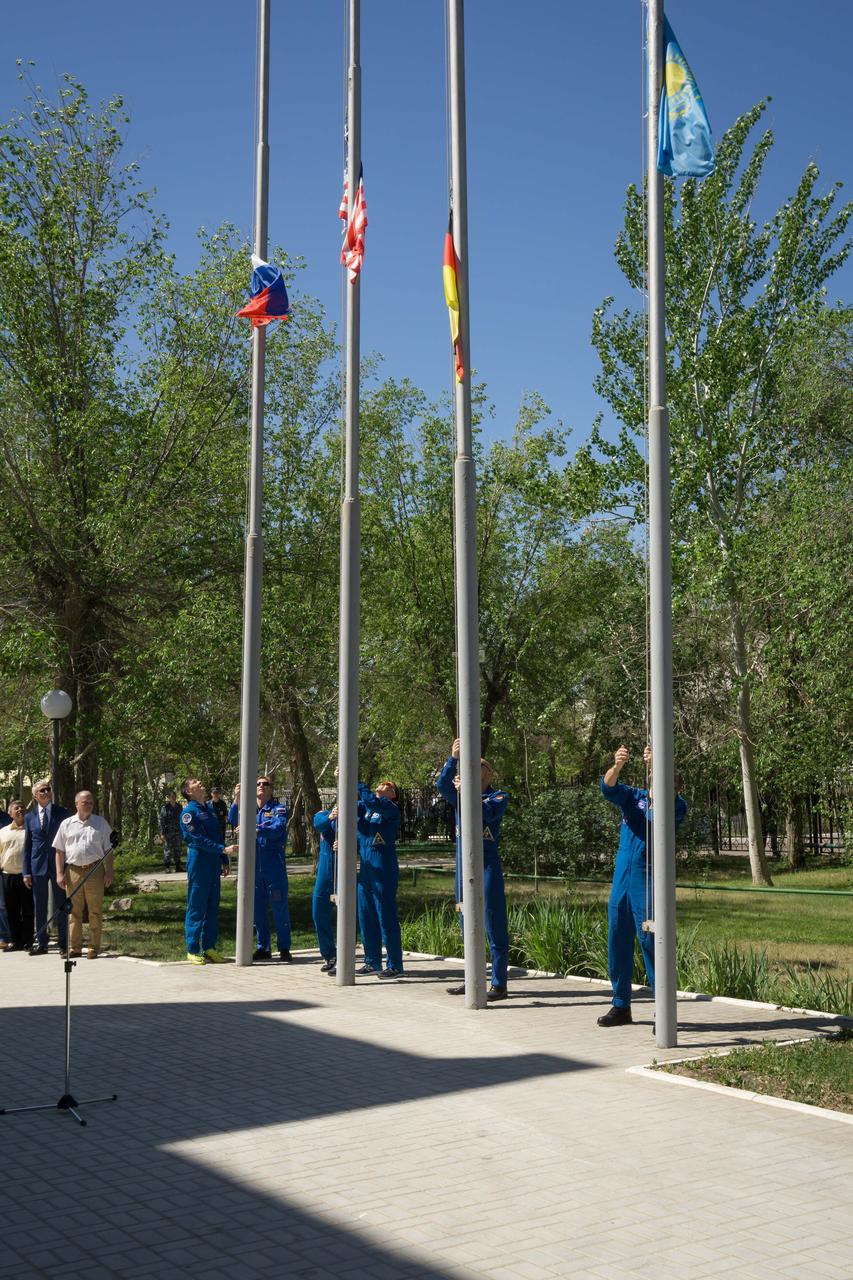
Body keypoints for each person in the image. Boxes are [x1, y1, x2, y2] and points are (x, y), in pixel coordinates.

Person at [597, 744, 688, 1027]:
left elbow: (658, 820)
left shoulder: (676, 805)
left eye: (662, 776)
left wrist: (657, 764)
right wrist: (617, 765)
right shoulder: (633, 797)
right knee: (617, 938)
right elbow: (608, 787)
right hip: (622, 877)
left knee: (651, 941)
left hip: (647, 879)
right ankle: (620, 1005)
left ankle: (663, 1009)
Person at [436, 739, 510, 1002]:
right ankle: (473, 979)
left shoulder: (498, 796)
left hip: (487, 867)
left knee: (493, 923)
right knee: (466, 923)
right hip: (462, 868)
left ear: (488, 773)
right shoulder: (459, 795)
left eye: (478, 765)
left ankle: (499, 985)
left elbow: (487, 813)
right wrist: (453, 758)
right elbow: (442, 785)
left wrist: (467, 792)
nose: (471, 768)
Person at [232, 777, 292, 962]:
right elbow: (233, 819)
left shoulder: (278, 808)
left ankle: (284, 947)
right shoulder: (247, 808)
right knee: (257, 909)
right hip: (253, 865)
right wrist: (237, 799)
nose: (260, 786)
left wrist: (255, 828)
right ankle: (263, 948)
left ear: (271, 789)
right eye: (257, 783)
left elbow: (277, 829)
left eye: (265, 784)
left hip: (273, 865)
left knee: (279, 907)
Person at [180, 778, 237, 965]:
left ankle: (209, 947)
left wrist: (223, 858)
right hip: (199, 863)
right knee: (197, 906)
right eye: (194, 781)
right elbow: (196, 839)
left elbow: (217, 836)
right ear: (188, 791)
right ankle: (192, 949)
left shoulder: (209, 810)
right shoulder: (189, 812)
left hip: (213, 862)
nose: (199, 782)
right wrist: (223, 850)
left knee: (212, 906)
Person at [53, 791, 114, 959]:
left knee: (95, 911)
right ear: (76, 804)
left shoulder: (100, 823)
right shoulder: (66, 824)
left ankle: (94, 947)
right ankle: (75, 948)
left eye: (91, 803)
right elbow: (59, 851)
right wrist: (59, 873)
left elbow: (109, 849)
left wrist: (109, 870)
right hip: (73, 871)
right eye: (85, 802)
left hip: (95, 870)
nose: (88, 805)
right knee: (74, 911)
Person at [356, 780, 403, 979]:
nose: (382, 785)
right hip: (366, 868)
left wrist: (355, 781)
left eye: (387, 784)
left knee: (385, 915)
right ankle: (372, 961)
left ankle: (395, 965)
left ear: (393, 794)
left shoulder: (390, 808)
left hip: (383, 867)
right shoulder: (367, 810)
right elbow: (353, 807)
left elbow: (371, 801)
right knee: (366, 915)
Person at [23, 780, 70, 955]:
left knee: (61, 904)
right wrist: (26, 872)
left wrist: (67, 866)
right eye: (42, 790)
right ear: (35, 796)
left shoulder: (62, 813)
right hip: (37, 867)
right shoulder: (29, 817)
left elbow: (67, 840)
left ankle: (64, 944)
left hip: (58, 865)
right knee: (40, 906)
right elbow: (27, 846)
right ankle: (42, 943)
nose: (45, 792)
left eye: (48, 789)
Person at [0, 801, 34, 952]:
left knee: (27, 910)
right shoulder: (3, 831)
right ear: (10, 813)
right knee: (11, 910)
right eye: (16, 808)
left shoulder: (31, 830)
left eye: (22, 807)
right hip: (7, 875)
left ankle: (28, 941)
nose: (20, 810)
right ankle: (16, 941)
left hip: (26, 876)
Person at [312, 803, 337, 972]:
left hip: (343, 871)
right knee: (318, 911)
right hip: (325, 872)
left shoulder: (356, 816)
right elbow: (318, 823)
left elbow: (362, 838)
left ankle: (348, 954)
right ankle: (329, 954)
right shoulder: (324, 814)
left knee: (349, 915)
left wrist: (349, 842)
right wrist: (330, 817)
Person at [158, 790, 183, 873]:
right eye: (172, 797)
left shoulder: (179, 806)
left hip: (178, 831)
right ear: (168, 798)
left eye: (174, 796)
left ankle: (178, 866)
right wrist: (162, 833)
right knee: (168, 850)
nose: (173, 798)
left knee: (178, 849)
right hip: (168, 832)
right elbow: (161, 821)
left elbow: (182, 819)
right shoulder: (165, 808)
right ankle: (167, 867)